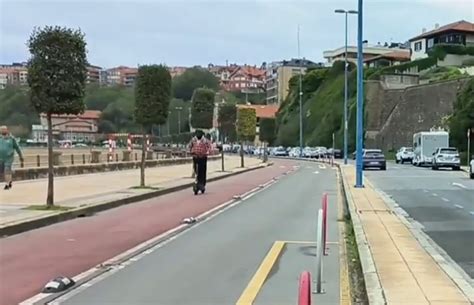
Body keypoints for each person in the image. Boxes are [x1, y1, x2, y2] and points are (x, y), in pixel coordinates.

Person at [0, 126, 23, 190]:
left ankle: (7, 184)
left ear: (7, 130)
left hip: (8, 158)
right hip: (0, 158)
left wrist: (21, 156)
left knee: (7, 169)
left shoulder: (11, 139)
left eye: (4, 129)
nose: (2, 131)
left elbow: (17, 148)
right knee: (3, 171)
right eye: (1, 130)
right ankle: (9, 181)